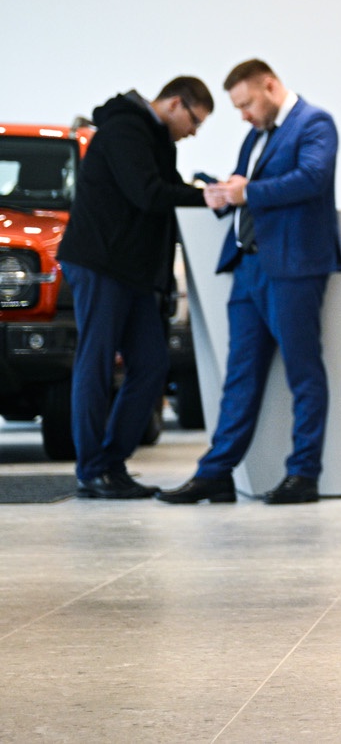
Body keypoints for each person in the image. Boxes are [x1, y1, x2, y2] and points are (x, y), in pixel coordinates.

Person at [160, 61, 341, 506]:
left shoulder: (314, 123)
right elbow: (245, 187)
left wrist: (248, 193)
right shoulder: (256, 135)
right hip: (248, 267)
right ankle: (216, 473)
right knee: (240, 375)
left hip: (293, 267)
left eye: (246, 104)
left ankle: (304, 474)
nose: (243, 115)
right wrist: (222, 193)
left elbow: (312, 179)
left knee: (303, 372)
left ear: (270, 86)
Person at [54, 78, 214, 499]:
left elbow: (165, 189)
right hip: (101, 262)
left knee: (151, 364)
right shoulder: (126, 128)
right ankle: (92, 471)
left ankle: (112, 463)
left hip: (133, 271)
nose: (194, 132)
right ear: (175, 103)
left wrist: (205, 191)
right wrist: (209, 198)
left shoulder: (157, 139)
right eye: (195, 121)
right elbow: (148, 194)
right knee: (97, 362)